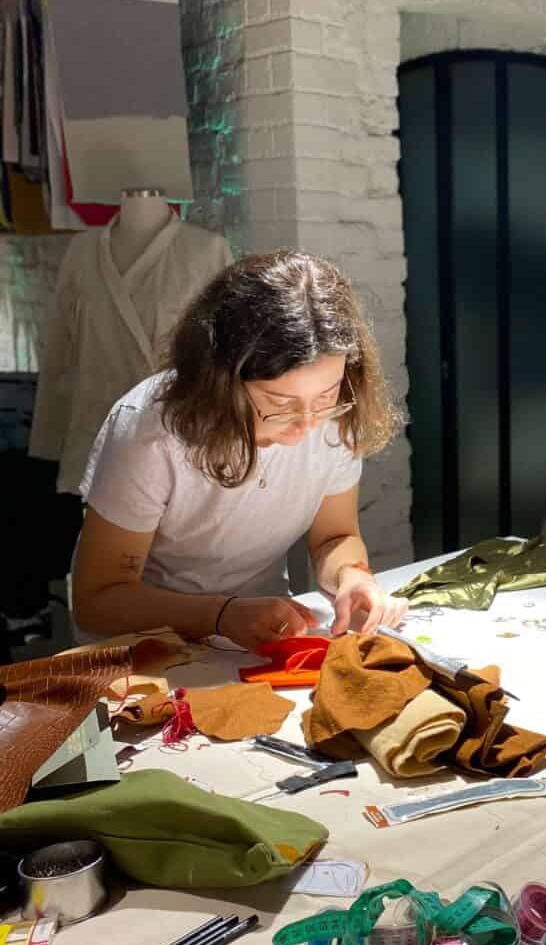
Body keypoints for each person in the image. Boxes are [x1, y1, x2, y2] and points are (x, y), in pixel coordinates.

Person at [71, 250, 409, 650]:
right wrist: (220, 614)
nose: (306, 425)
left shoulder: (333, 418)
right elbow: (98, 600)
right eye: (280, 403)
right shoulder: (150, 432)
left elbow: (334, 537)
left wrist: (352, 576)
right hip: (144, 643)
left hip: (261, 630)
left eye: (326, 395)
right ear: (221, 382)